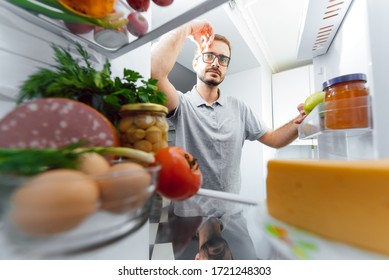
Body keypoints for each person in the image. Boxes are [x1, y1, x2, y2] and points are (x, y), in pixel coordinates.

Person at [151, 20, 306, 217]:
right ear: (195, 62)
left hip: (231, 214)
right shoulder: (182, 104)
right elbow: (155, 73)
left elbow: (274, 139)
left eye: (223, 59)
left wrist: (300, 120)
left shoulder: (238, 107)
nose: (216, 63)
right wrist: (186, 28)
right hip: (190, 216)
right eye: (209, 56)